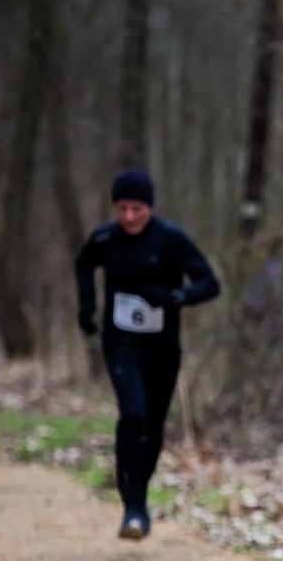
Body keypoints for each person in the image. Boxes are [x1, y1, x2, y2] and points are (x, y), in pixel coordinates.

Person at [75, 168, 220, 540]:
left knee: (153, 426)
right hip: (120, 341)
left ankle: (138, 495)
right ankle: (132, 505)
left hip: (162, 345)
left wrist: (176, 297)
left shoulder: (170, 239)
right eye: (122, 208)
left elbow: (210, 283)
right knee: (134, 414)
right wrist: (87, 305)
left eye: (137, 209)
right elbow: (83, 264)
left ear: (150, 208)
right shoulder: (105, 239)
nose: (129, 217)